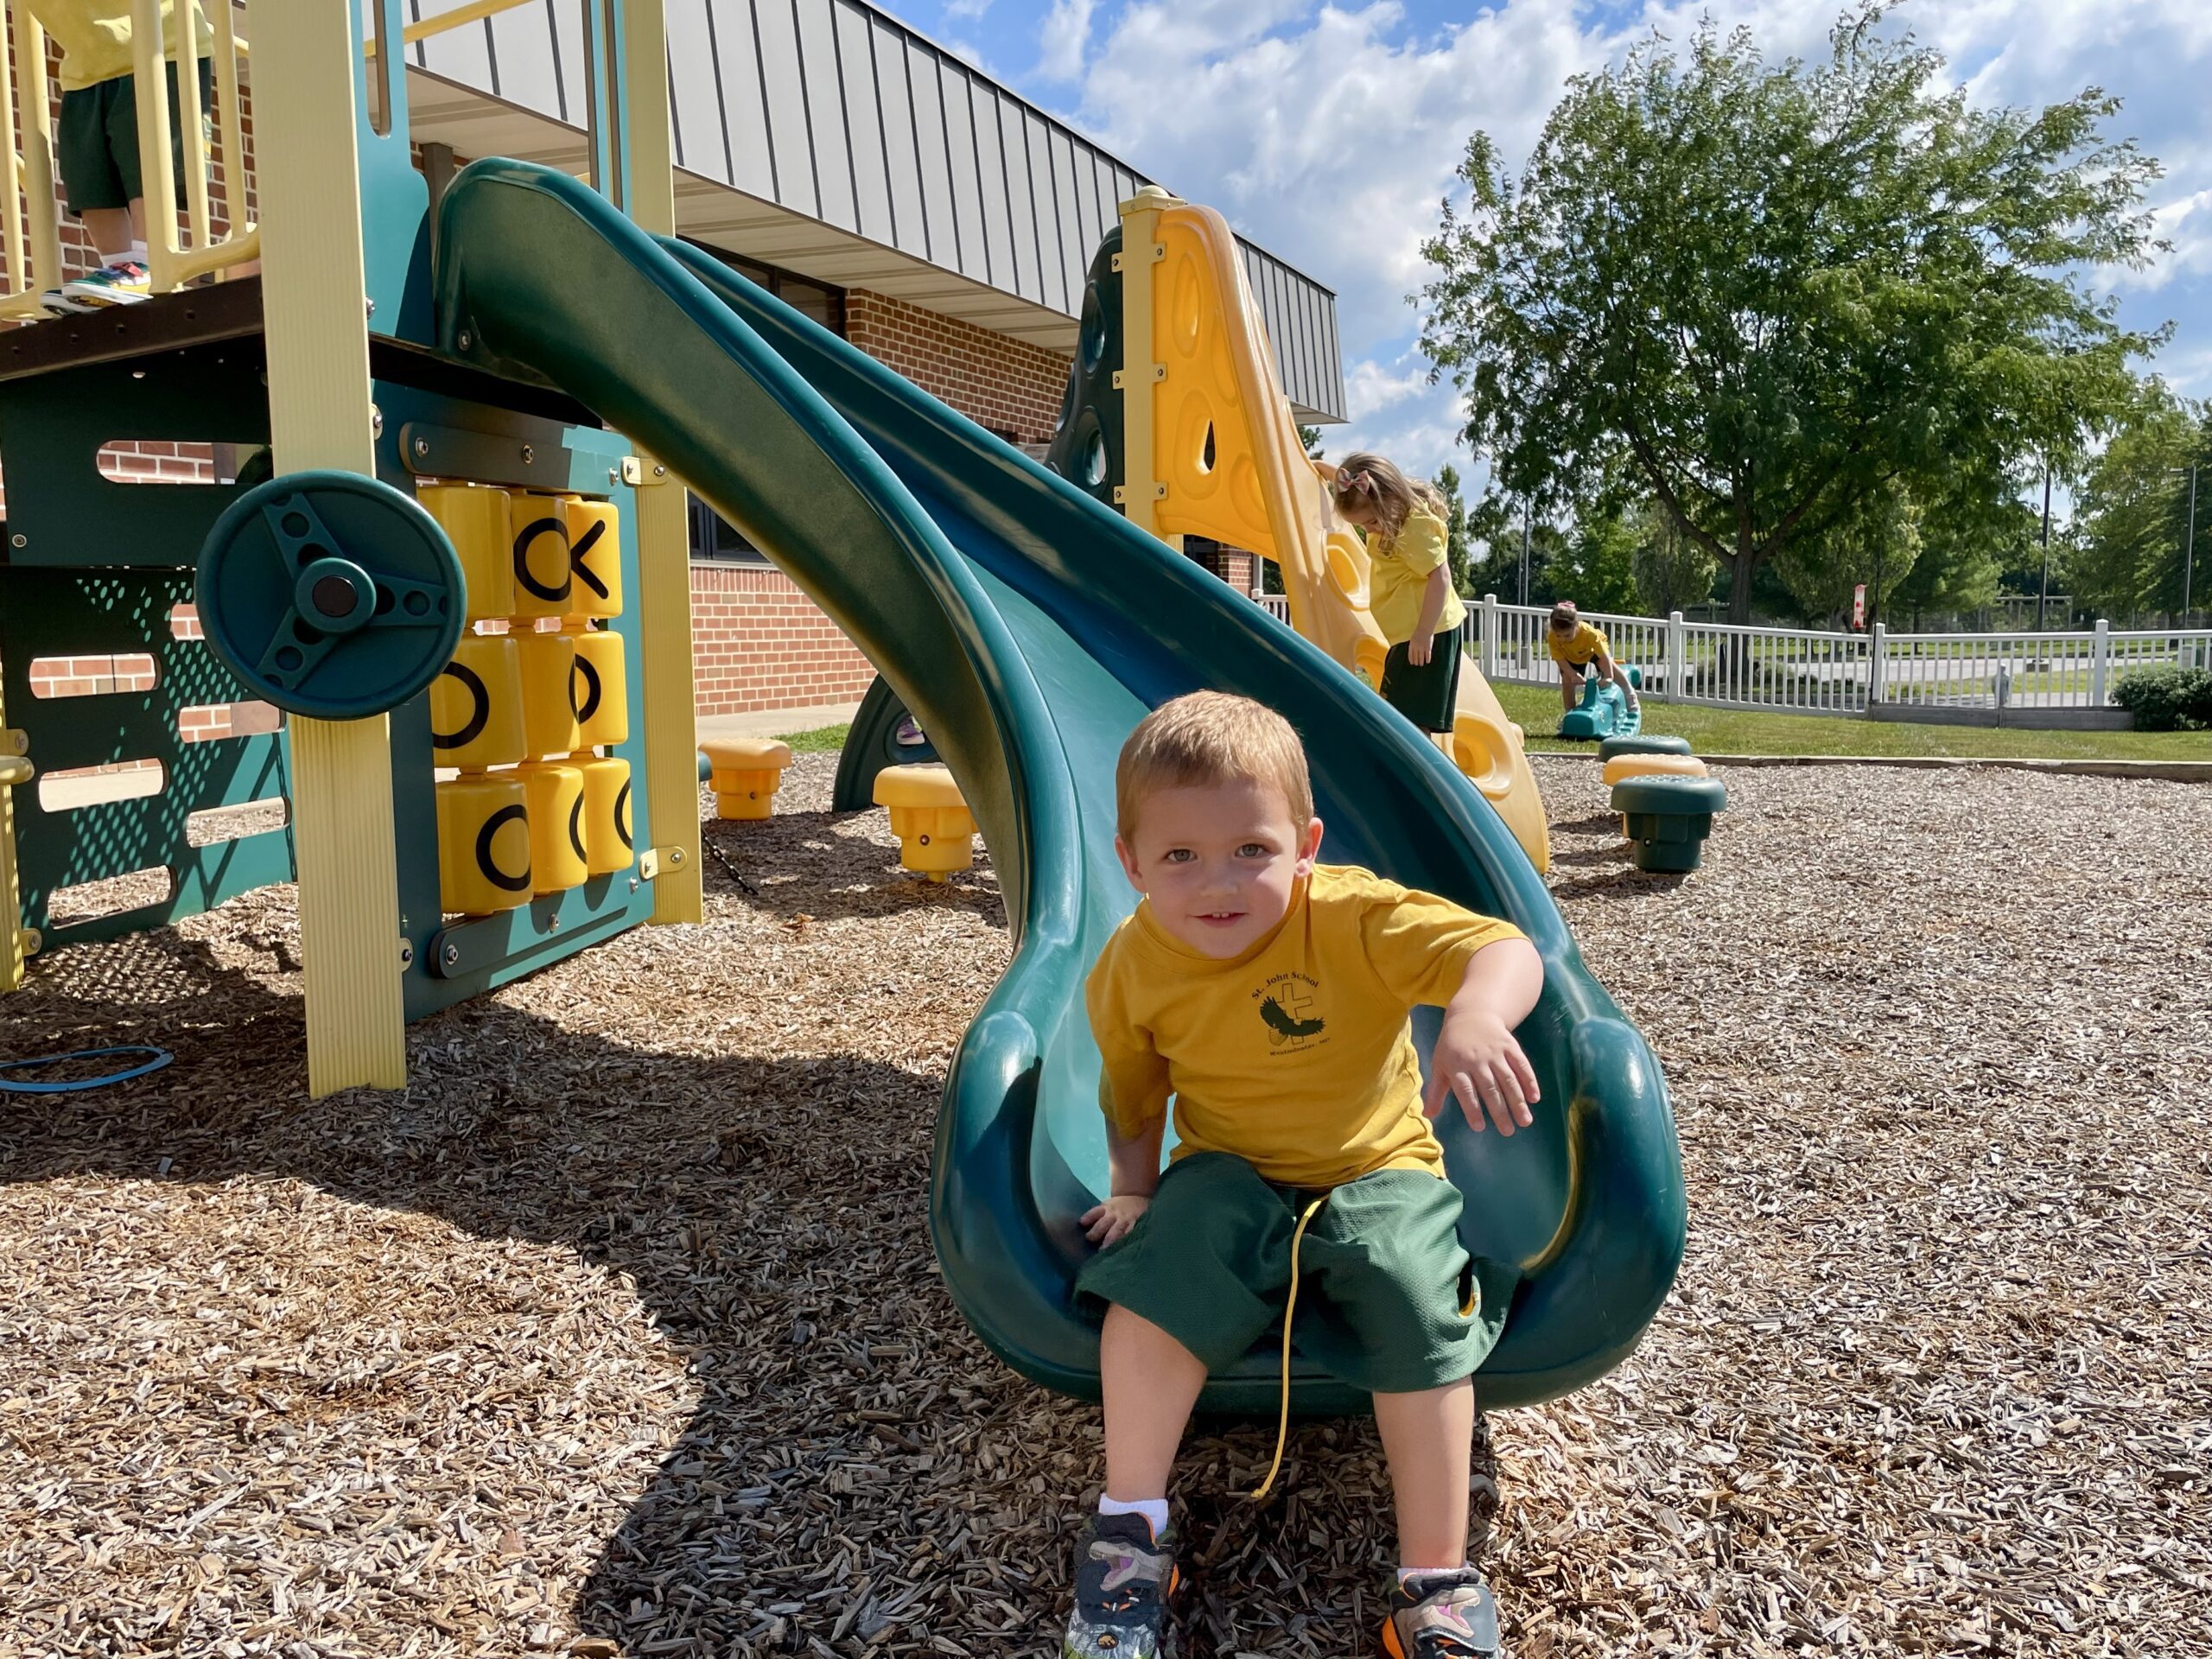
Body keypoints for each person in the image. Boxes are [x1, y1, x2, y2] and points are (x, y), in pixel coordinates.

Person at [1063, 691, 1545, 1659]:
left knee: (1414, 1297)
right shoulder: (1129, 965)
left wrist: (1478, 1017)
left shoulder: (1353, 917)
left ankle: (1437, 1582)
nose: (1218, 884)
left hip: (1377, 1165)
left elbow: (1500, 945)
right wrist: (1133, 1188)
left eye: (1251, 849)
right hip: (1226, 1169)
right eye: (1179, 857)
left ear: (1306, 842)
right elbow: (1133, 1093)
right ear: (1130, 862)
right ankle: (1129, 1535)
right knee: (1151, 1289)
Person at [27, 0, 216, 313]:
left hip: (159, 43)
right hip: (86, 65)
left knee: (148, 164)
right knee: (88, 177)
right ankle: (119, 269)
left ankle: (149, 261)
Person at [1330, 453, 1466, 734]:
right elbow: (1351, 485)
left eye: (1370, 522)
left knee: (1411, 723)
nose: (1368, 529)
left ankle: (1419, 775)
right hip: (1409, 633)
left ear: (1389, 499)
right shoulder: (1387, 512)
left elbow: (1440, 577)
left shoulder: (1412, 528)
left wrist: (1423, 633)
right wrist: (1320, 469)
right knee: (1403, 716)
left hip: (1426, 633)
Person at [1544, 601, 1640, 718]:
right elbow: (1560, 659)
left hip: (1592, 652)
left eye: (1567, 635)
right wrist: (1573, 674)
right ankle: (1569, 714)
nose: (1563, 639)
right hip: (1570, 657)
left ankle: (1630, 693)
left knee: (1610, 666)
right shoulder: (1552, 636)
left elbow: (1603, 655)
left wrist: (1608, 676)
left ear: (1576, 626)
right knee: (1566, 680)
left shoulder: (1589, 633)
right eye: (1559, 636)